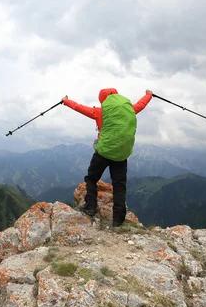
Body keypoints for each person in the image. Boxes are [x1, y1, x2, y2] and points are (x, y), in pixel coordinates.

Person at [61, 88, 153, 227]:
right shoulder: (130, 110)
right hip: (121, 154)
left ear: (103, 100)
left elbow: (79, 108)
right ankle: (118, 220)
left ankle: (91, 207)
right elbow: (141, 104)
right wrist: (149, 94)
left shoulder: (100, 112)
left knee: (91, 178)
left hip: (103, 152)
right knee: (119, 186)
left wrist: (66, 101)